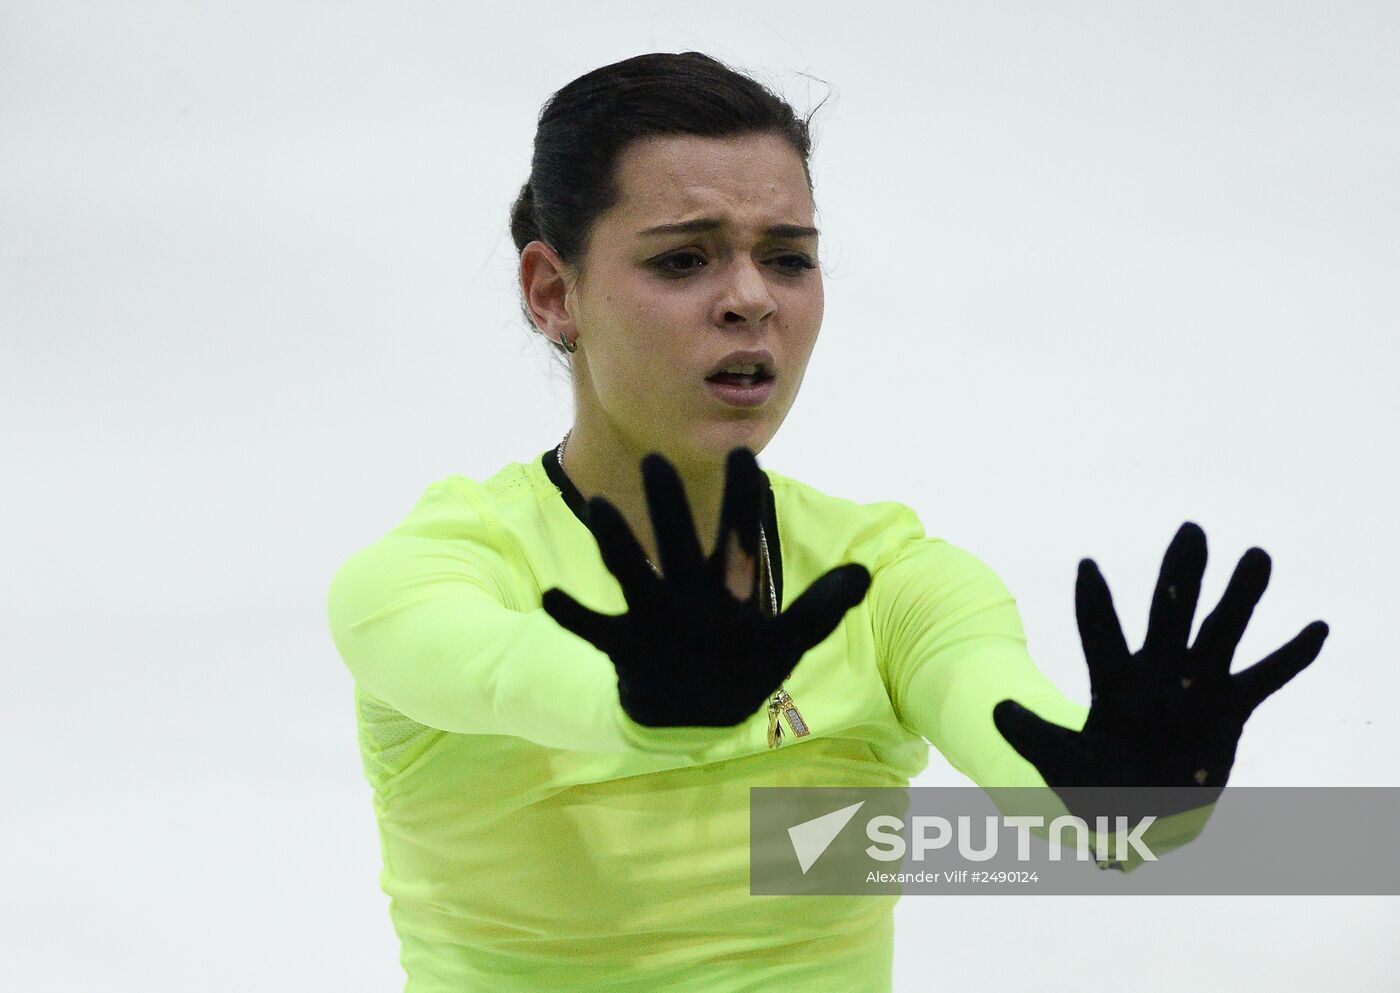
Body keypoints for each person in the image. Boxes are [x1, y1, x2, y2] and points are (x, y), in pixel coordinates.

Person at [325, 51, 1329, 993]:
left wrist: (1123, 799)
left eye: (789, 259)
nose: (751, 301)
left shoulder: (886, 578)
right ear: (553, 293)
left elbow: (1007, 724)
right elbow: (494, 668)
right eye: (683, 262)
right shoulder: (436, 575)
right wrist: (644, 700)